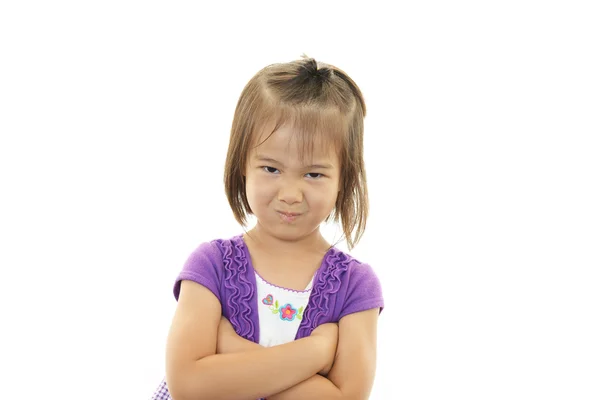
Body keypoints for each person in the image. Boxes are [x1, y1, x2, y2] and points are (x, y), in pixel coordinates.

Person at [151, 56, 384, 400]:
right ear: (242, 163)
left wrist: (229, 350)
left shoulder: (354, 286)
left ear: (343, 179)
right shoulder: (211, 265)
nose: (290, 194)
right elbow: (189, 385)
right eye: (271, 168)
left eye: (314, 174)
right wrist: (316, 352)